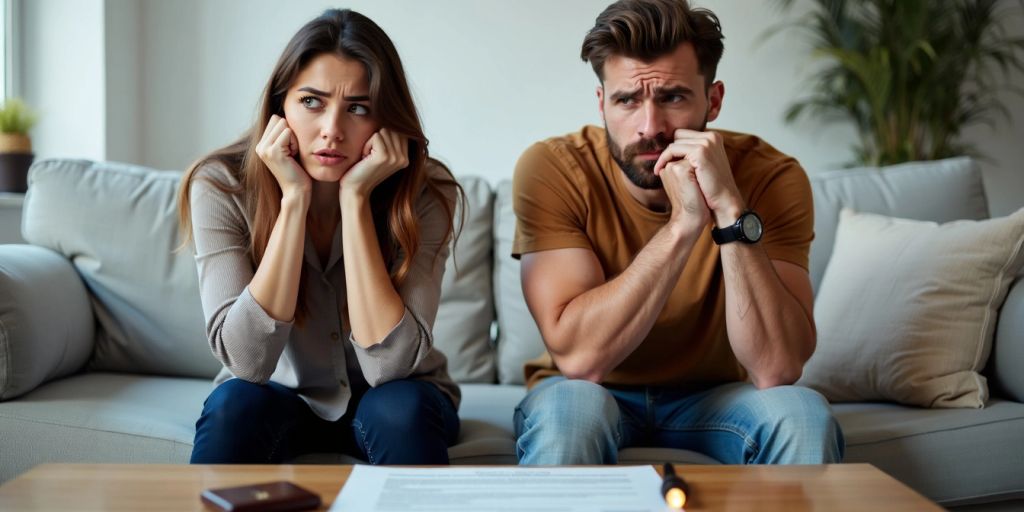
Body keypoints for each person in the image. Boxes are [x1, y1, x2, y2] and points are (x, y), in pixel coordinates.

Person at [511, 0, 844, 465]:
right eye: (628, 100)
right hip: (591, 390)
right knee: (571, 411)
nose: (651, 128)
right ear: (602, 103)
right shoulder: (553, 169)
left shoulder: (773, 176)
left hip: (718, 397)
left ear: (713, 100)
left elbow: (776, 368)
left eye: (672, 97)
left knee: (803, 414)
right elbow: (581, 360)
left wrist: (728, 208)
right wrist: (684, 224)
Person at [178, 8, 463, 465]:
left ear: (384, 120)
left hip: (396, 395)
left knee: (398, 410)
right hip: (276, 394)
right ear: (280, 107)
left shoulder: (424, 192)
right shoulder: (221, 185)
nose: (332, 129)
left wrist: (355, 199)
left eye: (357, 108)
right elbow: (246, 362)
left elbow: (388, 367)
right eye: (311, 102)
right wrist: (294, 198)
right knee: (234, 407)